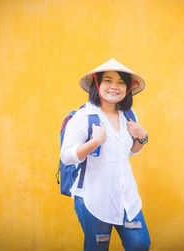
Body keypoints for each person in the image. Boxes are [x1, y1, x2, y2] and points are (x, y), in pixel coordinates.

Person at [60, 58, 151, 251]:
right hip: (96, 203)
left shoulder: (128, 114)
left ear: (127, 88)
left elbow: (128, 152)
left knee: (140, 244)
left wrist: (142, 138)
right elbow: (66, 156)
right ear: (97, 83)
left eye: (120, 82)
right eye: (108, 80)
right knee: (99, 247)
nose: (114, 86)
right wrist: (95, 142)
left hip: (128, 200)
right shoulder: (84, 117)